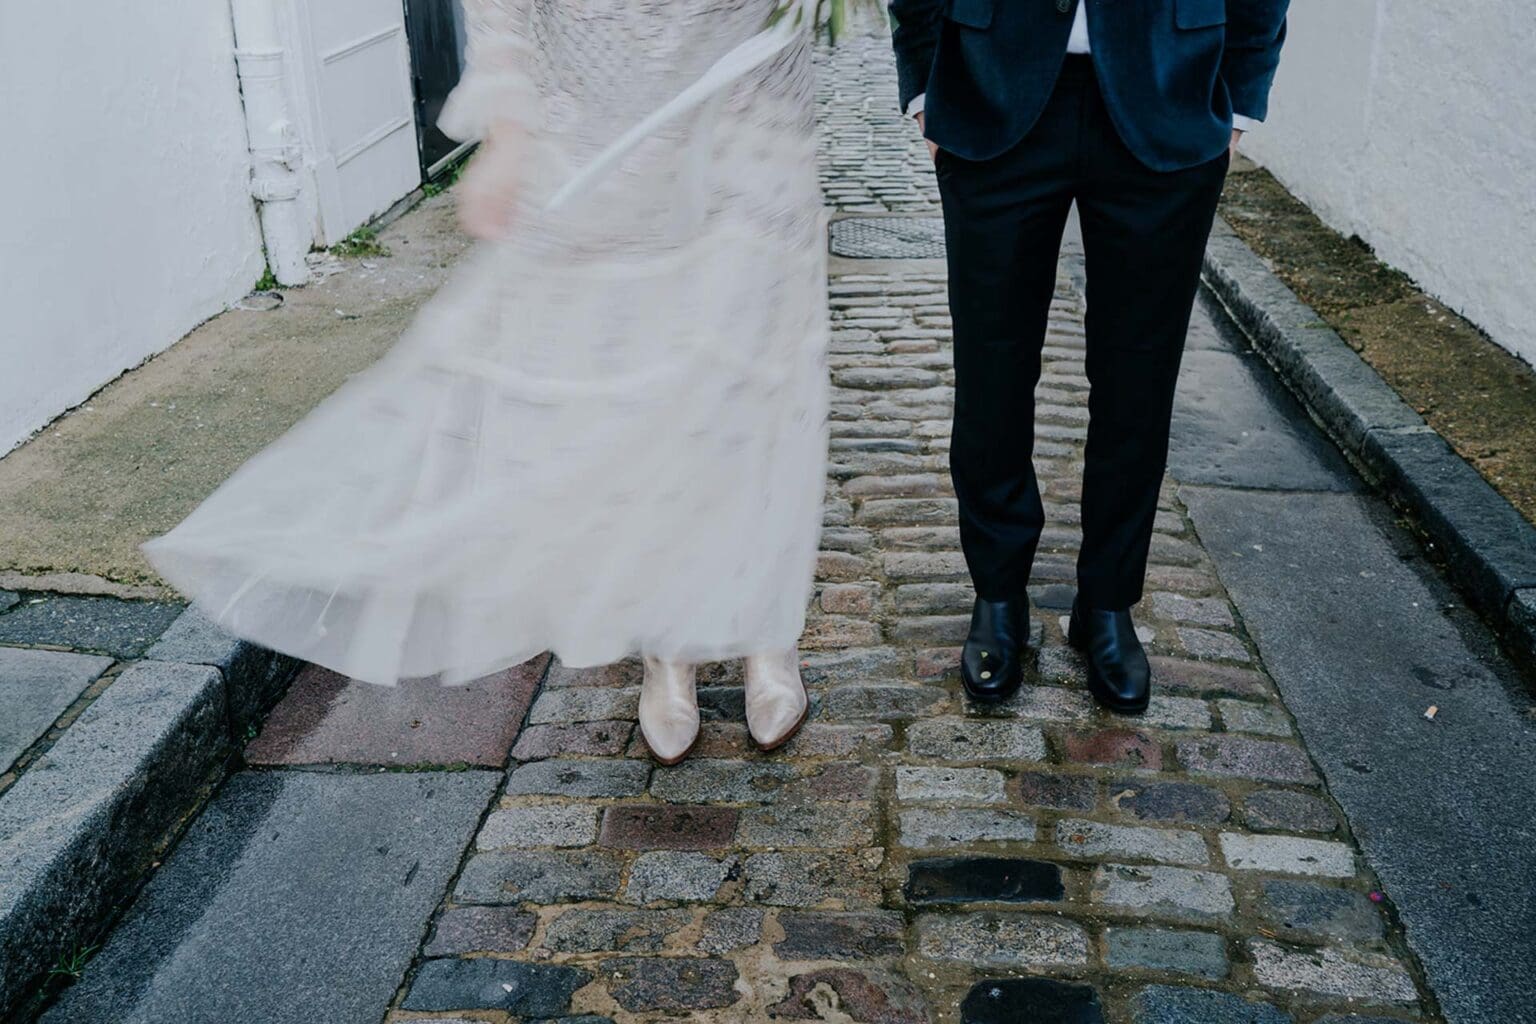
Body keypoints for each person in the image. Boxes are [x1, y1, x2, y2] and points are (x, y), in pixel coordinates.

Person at [144, 0, 831, 764]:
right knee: (636, 395)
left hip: (749, 106)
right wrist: (509, 131)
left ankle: (769, 631)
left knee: (748, 387)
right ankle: (667, 645)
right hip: (603, 111)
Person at [889, 0, 1288, 712]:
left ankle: (1107, 601)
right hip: (992, 94)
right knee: (992, 370)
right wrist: (924, 84)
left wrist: (1241, 100)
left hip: (1170, 96)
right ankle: (998, 595)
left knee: (1139, 376)